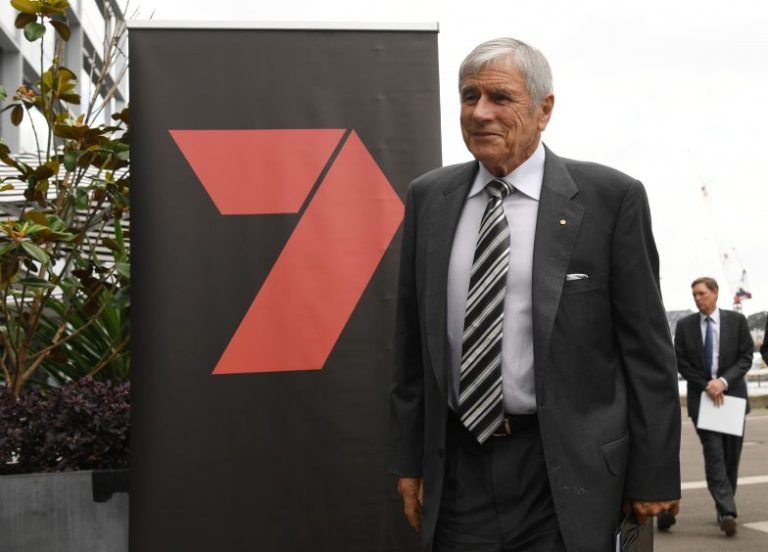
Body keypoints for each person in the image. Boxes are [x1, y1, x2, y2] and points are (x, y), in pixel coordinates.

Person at [389, 37, 681, 552]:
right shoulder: (428, 198)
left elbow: (648, 353)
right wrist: (409, 463)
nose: (480, 112)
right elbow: (411, 352)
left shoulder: (611, 199)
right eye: (469, 96)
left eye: (500, 97)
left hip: (567, 471)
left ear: (544, 110)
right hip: (458, 472)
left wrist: (654, 472)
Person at [669, 276, 753, 537]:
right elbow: (681, 362)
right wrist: (707, 385)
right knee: (714, 455)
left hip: (732, 399)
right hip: (704, 401)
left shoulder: (737, 321)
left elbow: (746, 357)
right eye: (694, 294)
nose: (697, 298)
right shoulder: (685, 326)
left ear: (715, 293)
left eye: (701, 293)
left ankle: (723, 506)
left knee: (730, 458)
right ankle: (727, 511)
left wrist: (723, 382)